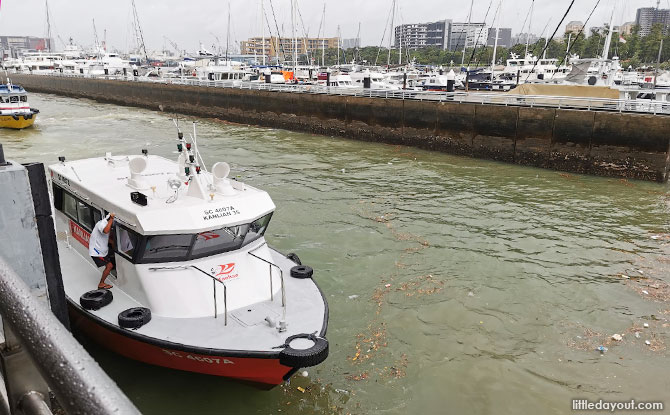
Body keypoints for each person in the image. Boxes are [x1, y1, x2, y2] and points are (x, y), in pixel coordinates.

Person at [89, 213, 116, 289]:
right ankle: (101, 283)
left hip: (103, 250)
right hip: (97, 252)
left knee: (113, 254)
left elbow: (107, 238)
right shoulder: (101, 224)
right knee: (109, 266)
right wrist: (111, 219)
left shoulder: (106, 225)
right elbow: (106, 231)